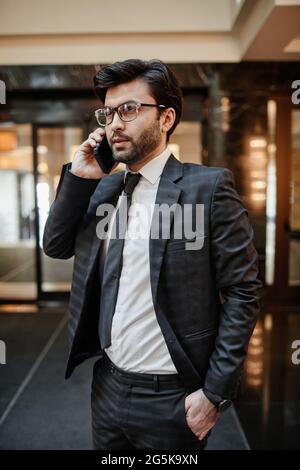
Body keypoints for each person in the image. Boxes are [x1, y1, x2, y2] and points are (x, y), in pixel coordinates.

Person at [43, 59, 262, 450]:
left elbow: (243, 293)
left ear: (166, 119)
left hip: (173, 397)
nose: (114, 124)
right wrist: (79, 177)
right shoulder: (104, 191)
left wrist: (214, 394)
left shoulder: (207, 188)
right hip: (108, 386)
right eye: (108, 113)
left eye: (129, 109)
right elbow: (55, 246)